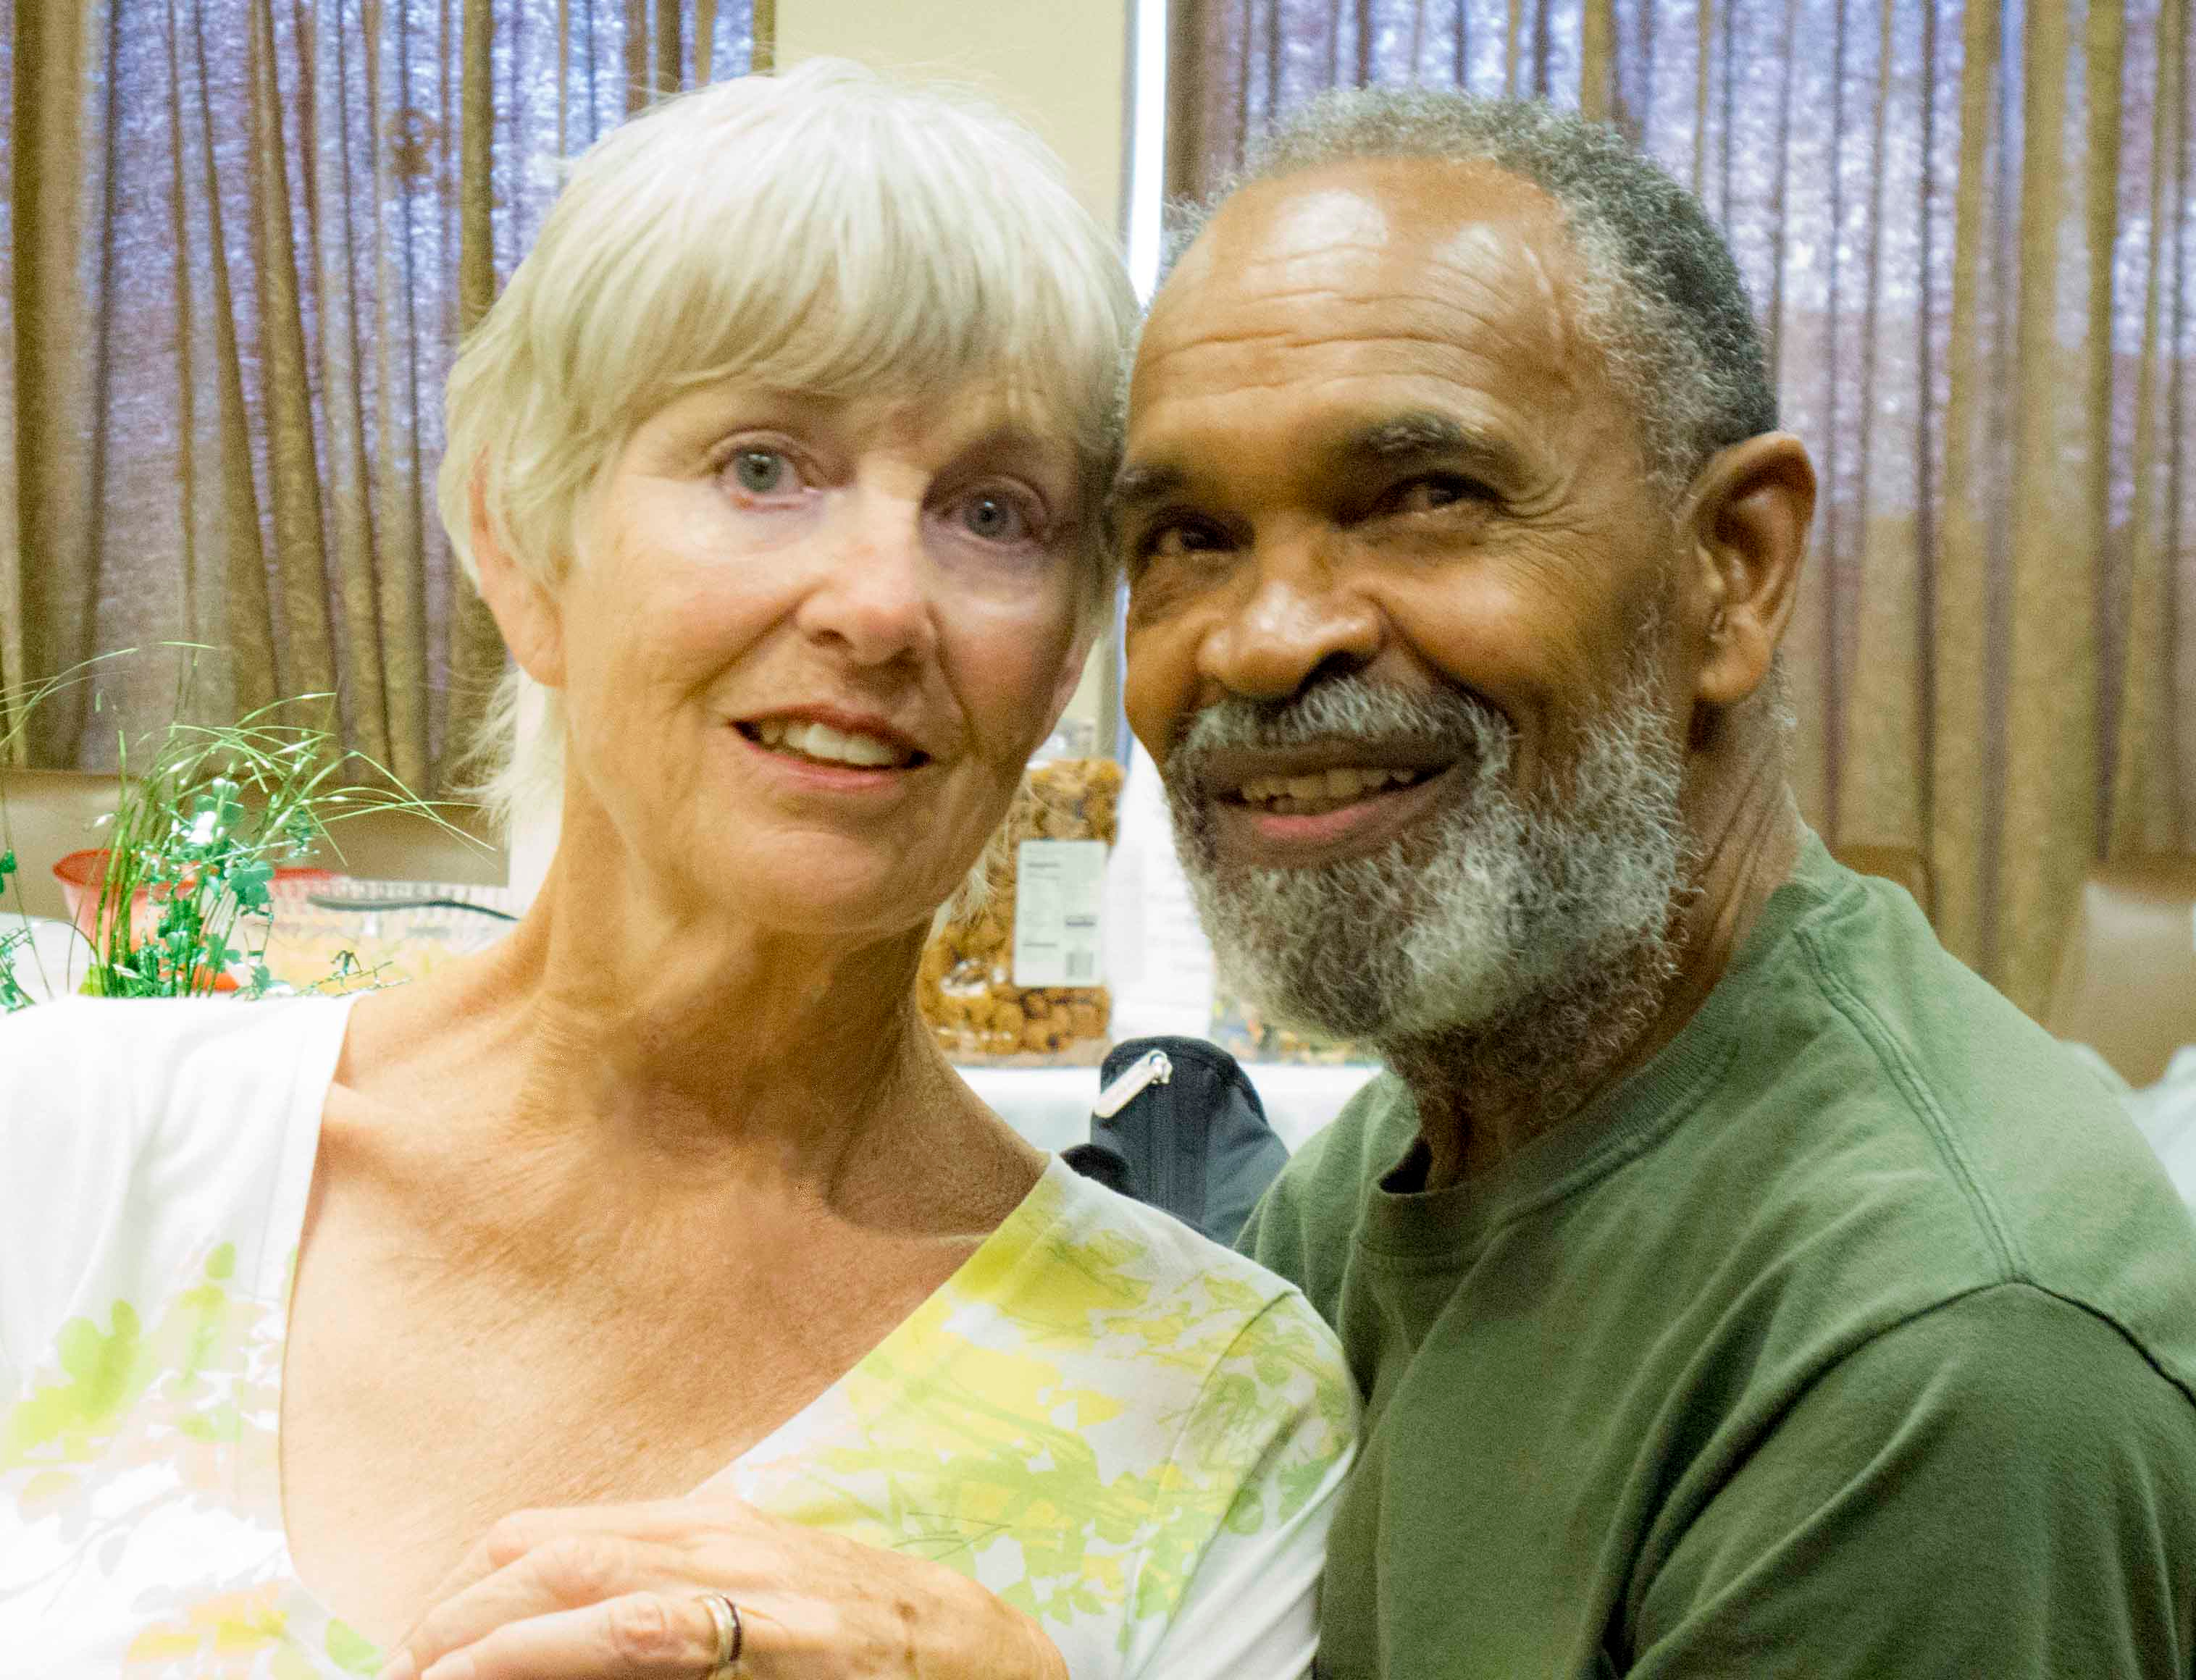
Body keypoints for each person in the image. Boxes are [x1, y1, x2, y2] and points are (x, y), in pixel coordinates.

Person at [0, 62, 1354, 1679]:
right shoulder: (72, 1150)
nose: (880, 604)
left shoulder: (1207, 1404)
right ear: (523, 543)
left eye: (997, 513)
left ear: (1068, 646)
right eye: (762, 467)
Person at [1111, 83, 2196, 1679]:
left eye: (1428, 496)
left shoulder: (1936, 1350)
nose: (1268, 640)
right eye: (1187, 536)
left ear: (1731, 568)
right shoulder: (1397, 1163)